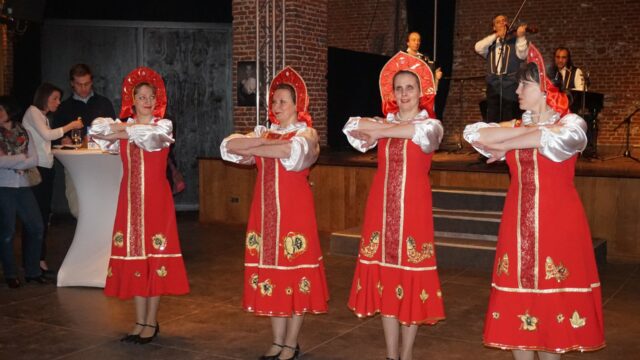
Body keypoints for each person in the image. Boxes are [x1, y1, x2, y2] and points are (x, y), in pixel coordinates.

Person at [463, 44, 605, 359]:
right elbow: (473, 135)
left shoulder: (572, 125)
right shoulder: (520, 124)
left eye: (523, 84)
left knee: (551, 309)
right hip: (516, 226)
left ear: (544, 89)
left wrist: (509, 142)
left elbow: (549, 139)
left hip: (557, 225)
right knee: (519, 309)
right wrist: (516, 136)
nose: (516, 90)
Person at [221, 66, 328, 360]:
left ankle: (291, 343)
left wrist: (257, 147)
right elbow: (229, 147)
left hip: (295, 215)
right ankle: (277, 340)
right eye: (275, 101)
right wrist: (264, 143)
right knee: (272, 276)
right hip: (265, 213)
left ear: (297, 106)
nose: (276, 107)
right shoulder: (264, 132)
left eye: (283, 102)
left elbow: (290, 154)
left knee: (293, 279)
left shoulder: (307, 134)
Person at [343, 52, 445, 360]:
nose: (403, 94)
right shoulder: (383, 122)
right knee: (387, 280)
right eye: (398, 88)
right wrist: (379, 128)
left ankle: (408, 353)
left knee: (410, 278)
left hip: (414, 210)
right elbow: (351, 129)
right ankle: (391, 355)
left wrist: (379, 130)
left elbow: (415, 133)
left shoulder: (432, 126)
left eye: (409, 88)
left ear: (421, 92)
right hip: (380, 208)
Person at [89, 67, 190, 344]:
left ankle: (151, 322)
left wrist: (122, 129)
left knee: (153, 259)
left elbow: (147, 137)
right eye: (140, 96)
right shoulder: (132, 126)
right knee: (136, 258)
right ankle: (140, 321)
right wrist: (125, 128)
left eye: (150, 96)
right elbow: (97, 130)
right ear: (131, 100)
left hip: (155, 201)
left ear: (157, 100)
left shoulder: (163, 127)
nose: (146, 101)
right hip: (130, 202)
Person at [21, 83, 83, 276]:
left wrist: (60, 142)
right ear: (44, 97)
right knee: (36, 218)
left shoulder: (42, 116)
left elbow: (45, 140)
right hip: (36, 169)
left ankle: (38, 261)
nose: (57, 102)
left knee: (43, 215)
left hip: (45, 169)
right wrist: (70, 126)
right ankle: (33, 263)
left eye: (58, 99)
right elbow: (47, 135)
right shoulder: (33, 112)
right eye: (54, 98)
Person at [52, 64, 116, 218]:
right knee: (77, 208)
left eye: (87, 84)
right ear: (72, 84)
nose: (84, 88)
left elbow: (115, 130)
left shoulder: (104, 103)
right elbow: (55, 135)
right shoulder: (64, 107)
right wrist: (63, 139)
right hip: (75, 163)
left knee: (103, 204)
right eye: (79, 84)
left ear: (92, 81)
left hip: (101, 162)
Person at [0, 96, 46, 288]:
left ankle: (33, 271)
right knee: (7, 232)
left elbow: (34, 159)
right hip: (4, 186)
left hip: (24, 184)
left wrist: (13, 160)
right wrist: (21, 157)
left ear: (10, 111)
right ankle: (10, 273)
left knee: (36, 227)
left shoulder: (23, 132)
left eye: (1, 109)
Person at [475, 14, 529, 122]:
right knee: (492, 117)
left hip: (510, 85)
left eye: (504, 21)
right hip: (493, 85)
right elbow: (477, 47)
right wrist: (496, 36)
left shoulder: (515, 42)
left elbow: (523, 55)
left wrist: (521, 37)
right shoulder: (490, 45)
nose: (502, 23)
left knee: (510, 116)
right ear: (494, 27)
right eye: (498, 22)